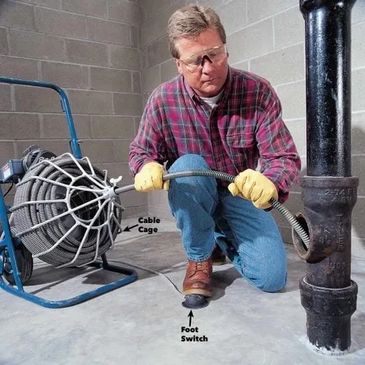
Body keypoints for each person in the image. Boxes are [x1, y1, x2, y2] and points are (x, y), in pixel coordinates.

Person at [129, 5, 301, 299]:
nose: (208, 68)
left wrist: (270, 180)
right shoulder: (163, 100)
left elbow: (282, 157)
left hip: (238, 194)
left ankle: (219, 237)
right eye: (195, 60)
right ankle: (199, 256)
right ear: (178, 64)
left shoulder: (256, 92)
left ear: (226, 49)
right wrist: (146, 165)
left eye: (215, 54)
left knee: (271, 278)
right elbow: (141, 151)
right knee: (189, 166)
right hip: (194, 193)